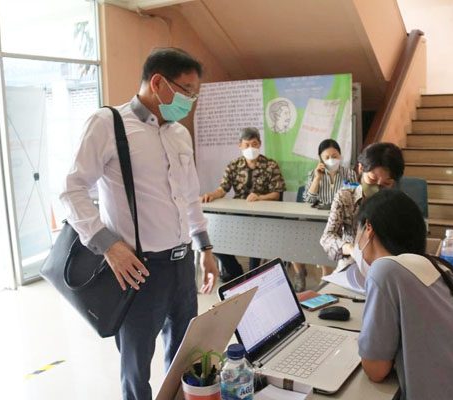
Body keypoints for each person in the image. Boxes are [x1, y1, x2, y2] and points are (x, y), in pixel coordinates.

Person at [60, 48, 218, 400]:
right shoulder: (108, 124)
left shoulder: (179, 134)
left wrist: (204, 247)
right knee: (136, 367)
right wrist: (108, 246)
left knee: (186, 359)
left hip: (182, 266)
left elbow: (189, 196)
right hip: (138, 270)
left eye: (195, 93)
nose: (191, 101)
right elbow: (72, 190)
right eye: (187, 91)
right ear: (158, 82)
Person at [355, 190, 453, 399]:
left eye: (356, 232)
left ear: (368, 228)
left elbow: (375, 370)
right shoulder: (441, 267)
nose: (357, 242)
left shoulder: (385, 270)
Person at [201, 127, 286, 280]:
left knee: (256, 241)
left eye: (254, 144)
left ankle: (253, 275)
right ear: (240, 145)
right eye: (247, 145)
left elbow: (277, 194)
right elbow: (223, 189)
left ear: (260, 144)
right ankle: (235, 271)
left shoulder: (271, 165)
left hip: (262, 216)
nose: (251, 148)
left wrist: (260, 197)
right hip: (237, 215)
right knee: (214, 236)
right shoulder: (234, 165)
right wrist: (211, 195)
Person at [320, 142, 404, 274]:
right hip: (351, 265)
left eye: (386, 184)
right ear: (360, 168)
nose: (377, 188)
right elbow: (327, 237)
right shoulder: (345, 197)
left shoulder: (397, 203)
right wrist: (350, 248)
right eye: (372, 180)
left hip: (386, 268)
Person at [291, 138, 357, 291]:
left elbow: (353, 198)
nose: (331, 160)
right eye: (327, 157)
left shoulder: (349, 173)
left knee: (327, 235)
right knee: (295, 234)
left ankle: (325, 275)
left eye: (334, 156)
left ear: (340, 156)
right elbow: (308, 200)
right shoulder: (314, 174)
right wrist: (317, 178)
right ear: (320, 159)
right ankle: (300, 272)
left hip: (339, 220)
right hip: (316, 218)